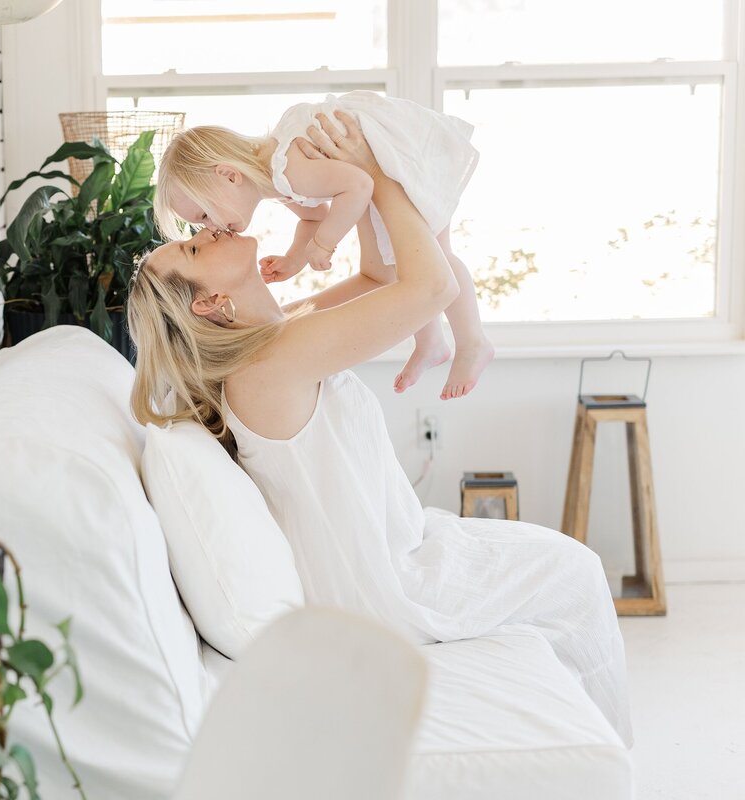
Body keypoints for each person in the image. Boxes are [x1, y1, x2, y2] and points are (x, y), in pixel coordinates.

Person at [127, 111, 633, 747]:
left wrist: (363, 183)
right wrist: (379, 173)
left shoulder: (283, 338)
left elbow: (382, 278)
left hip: (393, 550)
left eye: (197, 230)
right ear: (208, 303)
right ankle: (605, 765)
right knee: (575, 572)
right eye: (197, 246)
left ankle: (593, 756)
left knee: (568, 568)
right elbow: (430, 288)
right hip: (379, 589)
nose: (211, 229)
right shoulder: (267, 368)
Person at [154, 91, 493, 400]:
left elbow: (358, 185)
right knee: (404, 259)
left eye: (204, 215)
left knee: (438, 255)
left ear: (229, 176)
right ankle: (430, 341)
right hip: (382, 158)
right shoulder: (277, 181)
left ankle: (472, 342)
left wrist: (324, 244)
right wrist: (293, 259)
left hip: (399, 148)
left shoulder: (289, 169)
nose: (209, 229)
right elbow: (314, 216)